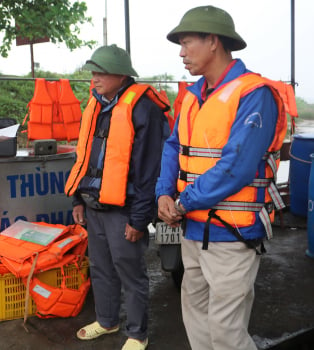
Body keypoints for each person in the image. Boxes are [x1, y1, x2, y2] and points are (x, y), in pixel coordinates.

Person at [156, 5, 287, 350]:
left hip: (232, 234)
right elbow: (173, 147)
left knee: (227, 332)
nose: (181, 53)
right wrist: (163, 194)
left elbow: (236, 167)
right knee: (196, 318)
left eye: (187, 43)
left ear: (213, 41)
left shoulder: (253, 94)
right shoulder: (192, 96)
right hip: (191, 230)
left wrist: (183, 202)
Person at [65, 44, 170, 350]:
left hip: (124, 210)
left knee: (131, 272)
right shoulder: (97, 105)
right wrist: (78, 200)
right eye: (93, 72)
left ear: (120, 75)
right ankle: (107, 321)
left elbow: (150, 169)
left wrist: (139, 218)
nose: (93, 79)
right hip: (94, 205)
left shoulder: (144, 108)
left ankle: (138, 334)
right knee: (99, 267)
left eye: (100, 73)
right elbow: (84, 158)